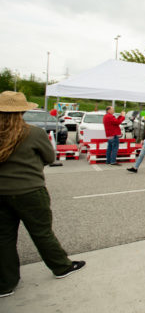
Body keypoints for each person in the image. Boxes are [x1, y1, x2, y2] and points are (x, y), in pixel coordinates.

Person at [0, 92, 85, 298]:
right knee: (41, 232)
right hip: (30, 190)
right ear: (22, 110)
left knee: (4, 238)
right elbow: (49, 157)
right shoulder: (33, 133)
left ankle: (5, 283)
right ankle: (60, 266)